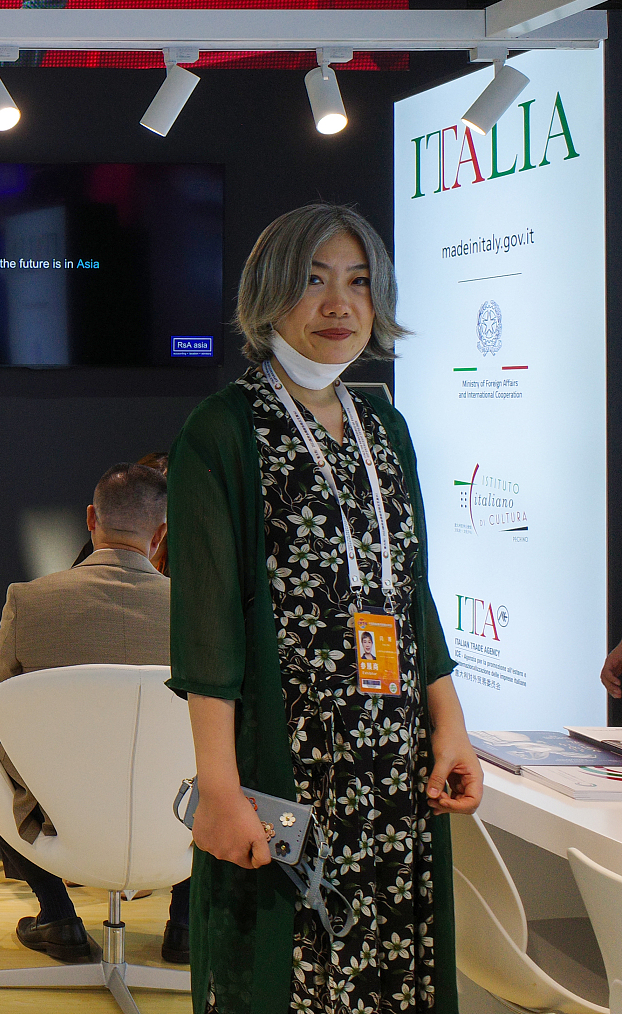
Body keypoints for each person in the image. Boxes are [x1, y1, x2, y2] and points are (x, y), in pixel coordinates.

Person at [170, 203, 482, 1014]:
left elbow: (408, 590)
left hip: (395, 779)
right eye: (314, 280)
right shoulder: (223, 431)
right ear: (270, 294)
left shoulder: (386, 426)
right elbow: (208, 626)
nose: (339, 304)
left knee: (393, 980)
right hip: (288, 780)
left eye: (359, 281)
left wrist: (450, 721)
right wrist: (219, 787)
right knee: (289, 982)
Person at [0, 461, 189, 966]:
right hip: (178, 819)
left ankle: (58, 917)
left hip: (62, 813)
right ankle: (184, 927)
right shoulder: (196, 610)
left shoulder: (30, 601)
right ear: (161, 534)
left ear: (91, 518)